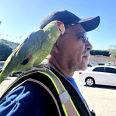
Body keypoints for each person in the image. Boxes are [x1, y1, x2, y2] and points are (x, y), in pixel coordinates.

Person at [0, 9, 100, 116]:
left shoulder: (64, 80)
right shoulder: (32, 96)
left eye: (87, 37)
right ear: (54, 44)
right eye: (82, 37)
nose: (90, 45)